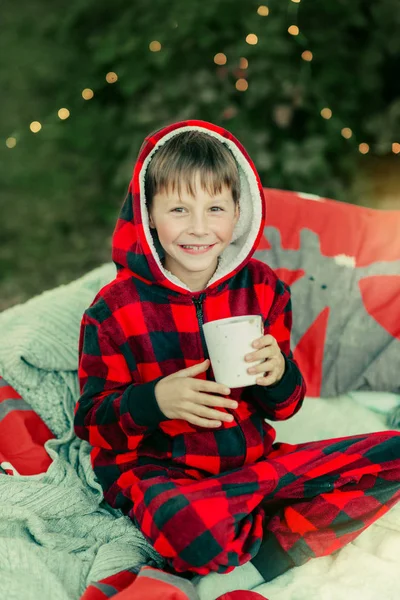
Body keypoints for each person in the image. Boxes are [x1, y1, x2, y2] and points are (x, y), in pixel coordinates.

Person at [74, 120, 400, 589]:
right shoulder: (113, 309)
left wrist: (278, 374)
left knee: (390, 455)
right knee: (190, 525)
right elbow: (89, 421)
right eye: (179, 209)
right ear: (148, 215)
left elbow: (286, 407)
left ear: (238, 213)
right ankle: (254, 540)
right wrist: (156, 400)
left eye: (215, 208)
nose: (200, 228)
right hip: (165, 474)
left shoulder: (263, 289)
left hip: (251, 466)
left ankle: (249, 527)